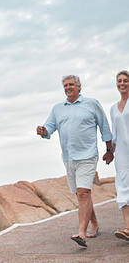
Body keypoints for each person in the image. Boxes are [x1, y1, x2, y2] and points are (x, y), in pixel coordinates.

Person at [36, 75, 114, 248]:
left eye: (71, 84)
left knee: (83, 193)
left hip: (87, 155)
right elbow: (49, 128)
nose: (68, 87)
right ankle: (94, 224)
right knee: (81, 194)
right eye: (65, 85)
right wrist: (42, 131)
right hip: (69, 158)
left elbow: (105, 127)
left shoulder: (92, 104)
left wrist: (109, 150)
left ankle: (81, 233)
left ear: (79, 87)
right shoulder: (57, 109)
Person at [109, 70, 129, 241]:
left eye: (125, 80)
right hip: (122, 153)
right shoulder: (113, 108)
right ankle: (127, 228)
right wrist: (110, 152)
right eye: (119, 81)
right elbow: (114, 134)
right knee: (123, 188)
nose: (122, 83)